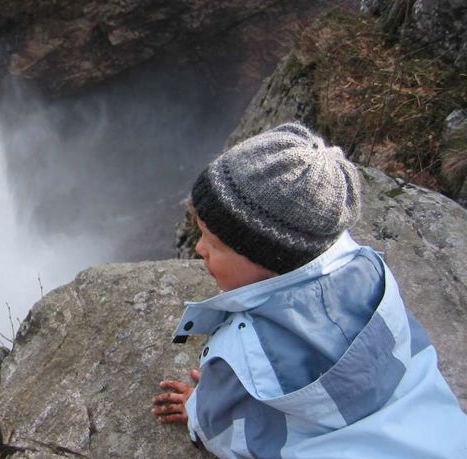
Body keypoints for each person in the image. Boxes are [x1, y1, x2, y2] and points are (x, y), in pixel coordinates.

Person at [151, 123, 467, 458]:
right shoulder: (372, 275)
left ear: (266, 255)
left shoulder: (249, 350)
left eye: (213, 243)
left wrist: (200, 410)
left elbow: (227, 430)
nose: (200, 250)